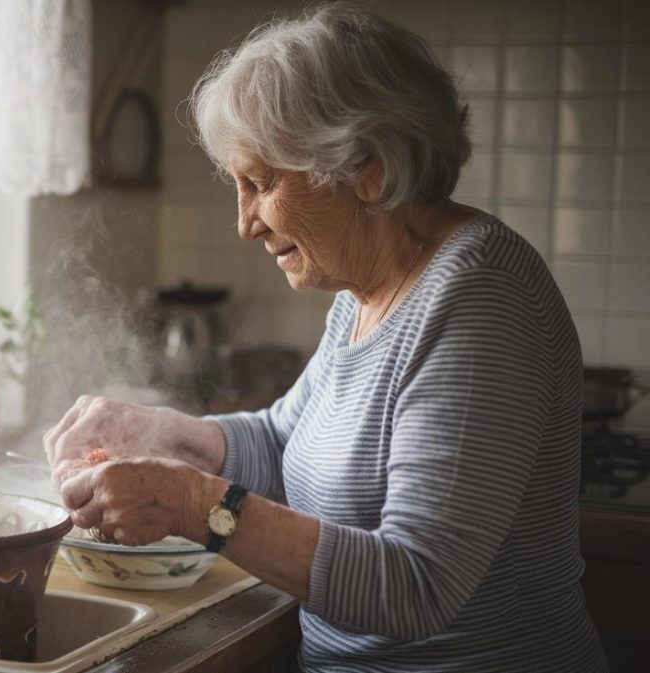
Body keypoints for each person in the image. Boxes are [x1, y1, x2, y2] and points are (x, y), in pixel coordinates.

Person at [43, 4, 608, 672]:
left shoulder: (478, 300)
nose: (245, 224)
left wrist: (193, 504)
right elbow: (285, 444)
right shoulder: (366, 288)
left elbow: (414, 585)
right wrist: (163, 433)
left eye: (262, 183)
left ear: (365, 168)